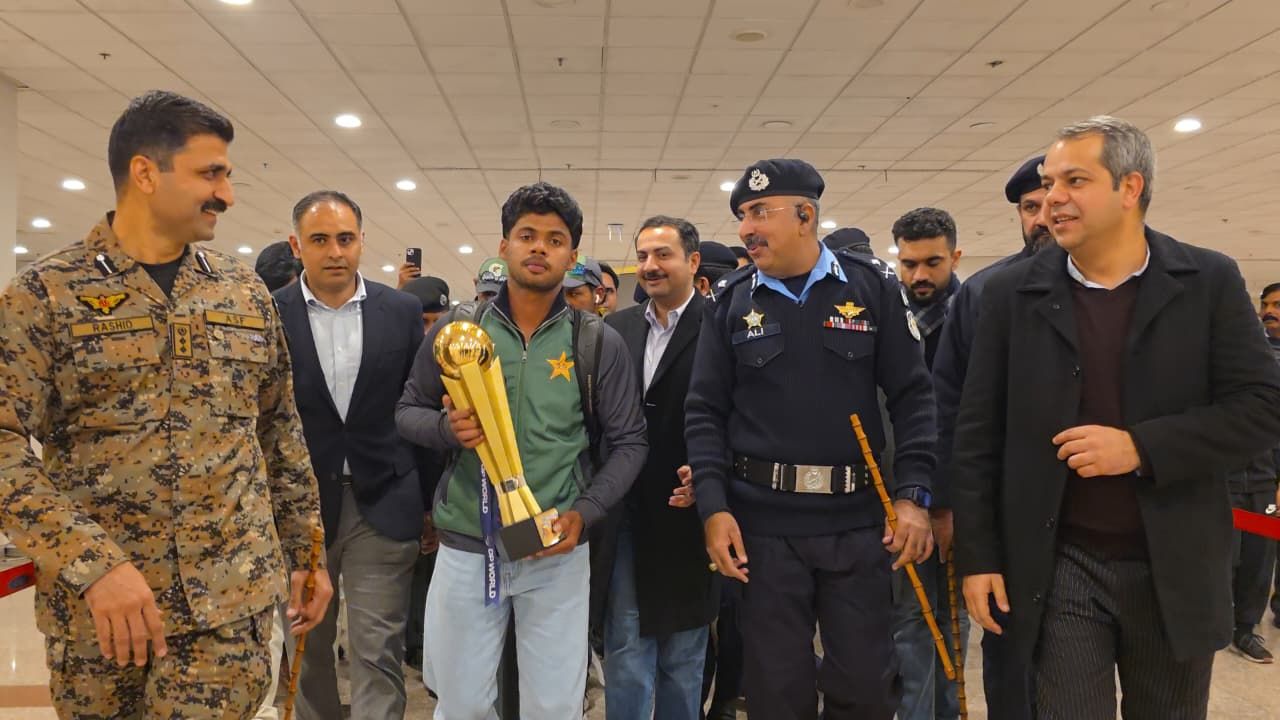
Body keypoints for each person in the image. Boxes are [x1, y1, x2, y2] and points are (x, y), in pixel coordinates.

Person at [0, 90, 331, 719]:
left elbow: (280, 433)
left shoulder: (242, 292)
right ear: (145, 173)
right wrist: (92, 564)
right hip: (101, 617)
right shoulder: (45, 294)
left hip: (227, 606)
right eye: (211, 173)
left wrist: (307, 557)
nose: (227, 194)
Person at [954, 116, 1280, 720]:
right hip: (1060, 564)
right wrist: (979, 558)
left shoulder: (1207, 281)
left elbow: (1262, 408)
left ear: (1130, 188)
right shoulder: (1009, 296)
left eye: (1074, 180)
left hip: (1173, 564)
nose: (1053, 198)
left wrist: (1141, 447)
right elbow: (977, 436)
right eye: (1050, 183)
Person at [686, 158, 937, 720]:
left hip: (857, 523)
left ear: (806, 215)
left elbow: (914, 398)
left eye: (759, 212)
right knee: (777, 692)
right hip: (764, 530)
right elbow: (704, 412)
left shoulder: (870, 289)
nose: (747, 227)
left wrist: (914, 493)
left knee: (867, 687)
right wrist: (713, 506)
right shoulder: (730, 302)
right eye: (742, 215)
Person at [396, 181, 648, 719]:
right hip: (468, 544)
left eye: (554, 239)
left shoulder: (597, 342)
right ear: (505, 245)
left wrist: (586, 512)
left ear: (572, 257)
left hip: (556, 546)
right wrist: (447, 429)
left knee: (554, 706)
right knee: (461, 705)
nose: (539, 248)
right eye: (526, 235)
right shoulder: (458, 330)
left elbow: (629, 441)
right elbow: (407, 411)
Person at [275, 191, 428, 720]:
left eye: (345, 238)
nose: (334, 251)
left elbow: (419, 408)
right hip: (297, 510)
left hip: (382, 500)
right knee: (307, 647)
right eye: (320, 240)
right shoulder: (269, 313)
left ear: (362, 241)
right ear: (298, 246)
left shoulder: (402, 312)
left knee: (376, 646)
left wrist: (428, 503)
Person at [930, 154, 1051, 720]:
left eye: (1051, 203)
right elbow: (952, 411)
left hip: (1107, 514)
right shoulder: (984, 295)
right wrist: (952, 506)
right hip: (1009, 516)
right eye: (1030, 208)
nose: (1043, 218)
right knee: (1012, 666)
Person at [602, 216, 716, 720]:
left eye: (663, 255)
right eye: (643, 255)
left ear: (692, 261)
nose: (650, 266)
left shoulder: (723, 324)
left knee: (684, 654)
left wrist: (714, 472)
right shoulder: (616, 328)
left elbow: (744, 411)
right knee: (626, 647)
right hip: (625, 506)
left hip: (691, 513)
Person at [888, 206, 965, 720]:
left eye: (932, 263)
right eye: (909, 263)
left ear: (955, 256)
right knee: (913, 623)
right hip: (905, 497)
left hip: (960, 500)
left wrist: (948, 503)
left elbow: (973, 418)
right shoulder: (890, 316)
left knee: (952, 624)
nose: (919, 276)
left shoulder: (977, 311)